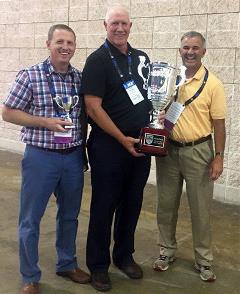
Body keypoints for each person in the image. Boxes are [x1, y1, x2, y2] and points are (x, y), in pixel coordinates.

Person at [2, 24, 90, 294]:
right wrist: (44, 122)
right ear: (48, 44)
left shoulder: (80, 78)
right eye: (60, 42)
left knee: (70, 215)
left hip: (73, 157)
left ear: (75, 47)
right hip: (41, 157)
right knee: (30, 219)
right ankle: (30, 275)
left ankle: (67, 263)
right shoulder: (30, 75)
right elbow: (8, 113)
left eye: (70, 43)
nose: (65, 47)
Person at [81, 5, 153, 292]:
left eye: (124, 23)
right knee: (104, 206)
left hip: (140, 145)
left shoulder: (142, 58)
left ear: (131, 26)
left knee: (132, 203)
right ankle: (98, 265)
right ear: (105, 25)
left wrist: (155, 121)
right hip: (109, 147)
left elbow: (149, 97)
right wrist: (122, 138)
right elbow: (92, 107)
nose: (120, 28)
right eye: (114, 24)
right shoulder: (97, 60)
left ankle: (124, 255)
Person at [153, 31, 226, 282]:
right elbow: (162, 110)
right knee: (166, 205)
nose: (190, 52)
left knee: (200, 208)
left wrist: (219, 156)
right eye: (185, 47)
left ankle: (204, 261)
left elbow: (219, 124)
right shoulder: (171, 80)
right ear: (180, 50)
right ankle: (166, 251)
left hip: (200, 152)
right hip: (169, 151)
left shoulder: (213, 84)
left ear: (203, 52)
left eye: (195, 48)